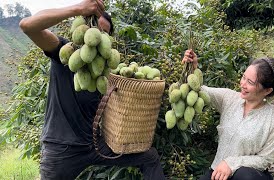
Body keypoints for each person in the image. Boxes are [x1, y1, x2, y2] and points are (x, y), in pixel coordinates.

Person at [19, 0, 166, 179]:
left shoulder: (106, 70)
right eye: (95, 29)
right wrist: (78, 8)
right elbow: (27, 26)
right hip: (62, 149)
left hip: (93, 145)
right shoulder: (66, 52)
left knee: (149, 158)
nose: (97, 36)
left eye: (104, 32)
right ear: (84, 31)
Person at [182, 49, 274, 180]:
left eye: (250, 82)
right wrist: (191, 69)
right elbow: (198, 90)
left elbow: (265, 159)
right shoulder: (229, 99)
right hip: (218, 172)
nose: (242, 84)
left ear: (267, 90)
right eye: (244, 77)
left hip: (249, 176)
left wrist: (232, 163)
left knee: (244, 175)